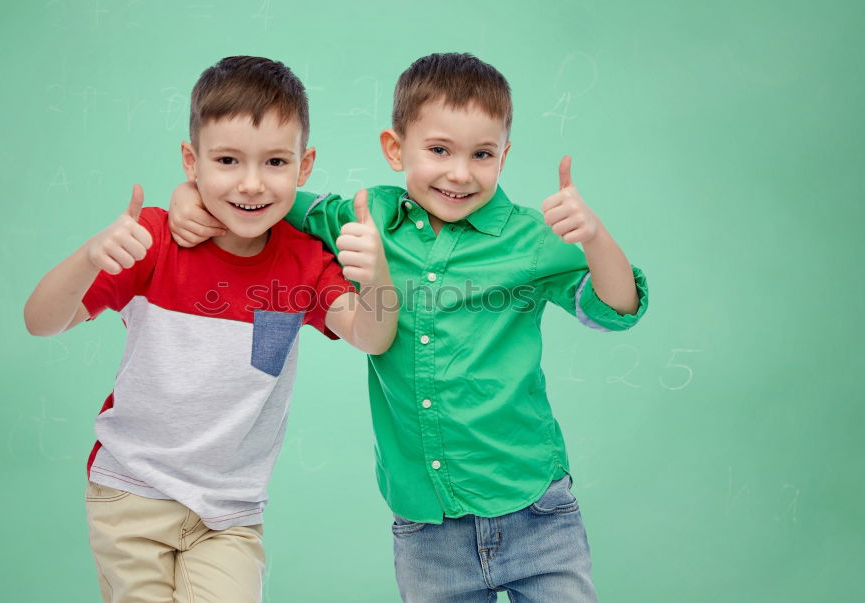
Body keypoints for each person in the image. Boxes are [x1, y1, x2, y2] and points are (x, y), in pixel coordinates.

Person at [168, 52, 648, 602]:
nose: (459, 172)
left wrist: (594, 237)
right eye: (439, 150)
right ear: (396, 149)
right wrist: (186, 195)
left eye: (482, 154)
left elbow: (616, 309)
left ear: (504, 157)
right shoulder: (363, 217)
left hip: (535, 507)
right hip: (426, 525)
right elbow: (257, 204)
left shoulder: (530, 238)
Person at [23, 55, 397, 603]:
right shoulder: (151, 238)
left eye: (274, 161)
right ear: (190, 162)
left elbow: (373, 337)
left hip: (229, 515)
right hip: (130, 495)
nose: (251, 183)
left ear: (304, 165)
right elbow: (40, 322)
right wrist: (90, 256)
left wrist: (378, 274)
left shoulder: (304, 262)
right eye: (226, 160)